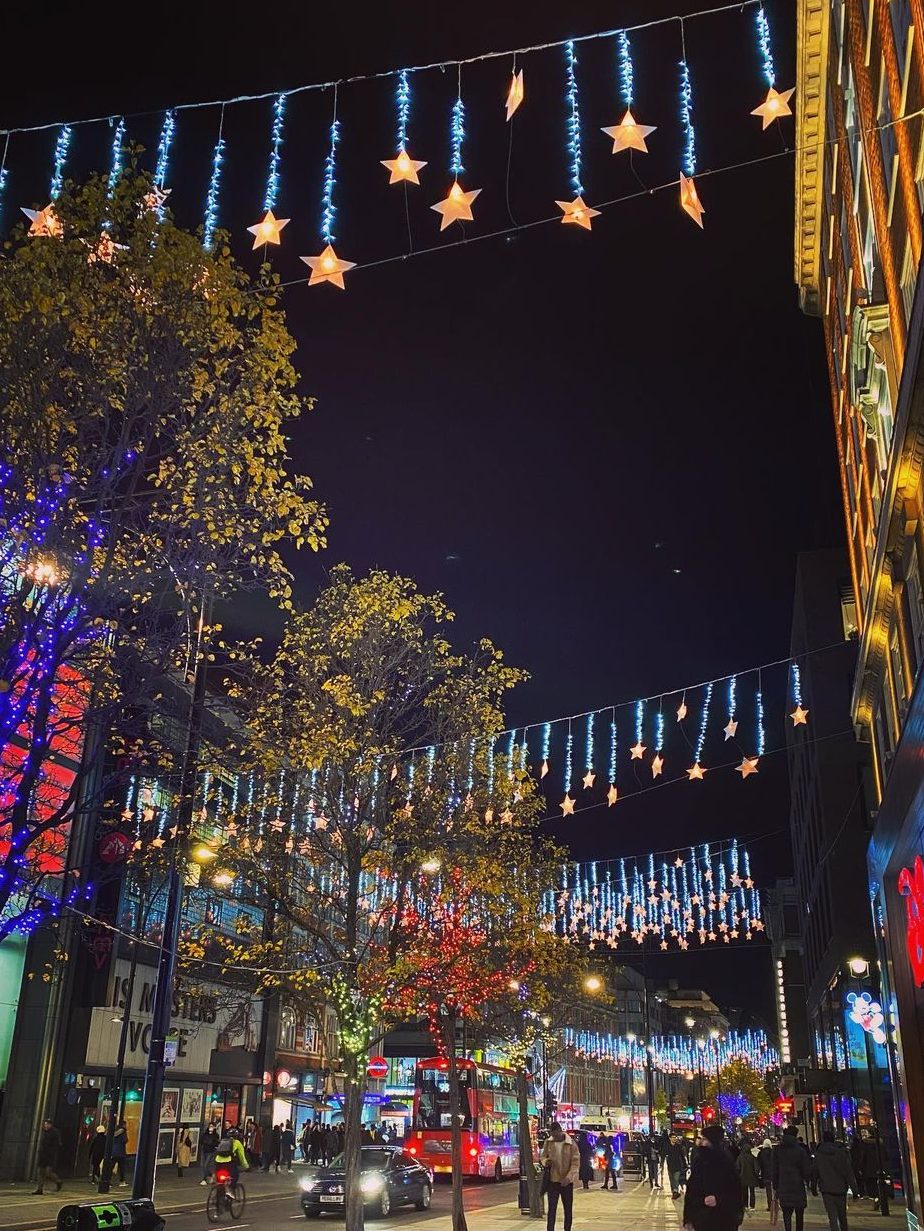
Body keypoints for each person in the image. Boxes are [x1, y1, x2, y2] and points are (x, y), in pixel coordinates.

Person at [682, 1125, 743, 1231]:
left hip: (723, 1219)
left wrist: (718, 1199)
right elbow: (691, 1191)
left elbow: (735, 1191)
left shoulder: (726, 1162)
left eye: (704, 1139)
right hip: (701, 1219)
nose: (701, 1142)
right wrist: (688, 1218)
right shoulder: (699, 1161)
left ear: (712, 1141)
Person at [539, 1122, 580, 1231]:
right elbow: (542, 1157)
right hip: (553, 1180)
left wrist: (569, 1177)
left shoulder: (571, 1144)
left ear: (560, 1131)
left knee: (568, 1209)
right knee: (551, 1209)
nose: (555, 1138)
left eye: (556, 1135)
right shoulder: (549, 1142)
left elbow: (575, 1163)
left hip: (566, 1181)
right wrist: (546, 1161)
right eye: (553, 1135)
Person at [814, 1131, 857, 1231]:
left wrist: (813, 1186)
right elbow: (848, 1172)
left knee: (832, 1217)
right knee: (842, 1216)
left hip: (826, 1189)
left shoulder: (819, 1153)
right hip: (841, 1188)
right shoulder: (841, 1153)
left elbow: (815, 1171)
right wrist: (855, 1190)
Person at [772, 1127, 812, 1231]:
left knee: (786, 1214)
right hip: (798, 1186)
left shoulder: (778, 1151)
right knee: (799, 1214)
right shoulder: (800, 1151)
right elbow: (806, 1170)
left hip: (784, 1185)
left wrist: (776, 1185)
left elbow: (774, 1169)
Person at [33, 1119, 63, 1195]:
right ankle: (39, 1189)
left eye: (47, 1124)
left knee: (48, 1172)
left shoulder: (55, 1133)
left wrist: (52, 1151)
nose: (45, 1126)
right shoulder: (44, 1133)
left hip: (50, 1155)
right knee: (40, 1172)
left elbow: (57, 1144)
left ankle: (58, 1181)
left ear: (50, 1125)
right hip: (43, 1155)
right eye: (45, 1124)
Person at [737, 1141, 761, 1210]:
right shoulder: (752, 1157)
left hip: (743, 1177)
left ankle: (745, 1205)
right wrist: (757, 1175)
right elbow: (756, 1168)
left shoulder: (740, 1157)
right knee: (752, 1192)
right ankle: (752, 1206)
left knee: (744, 1192)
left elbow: (737, 1167)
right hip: (752, 1177)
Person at [668, 1133, 688, 1200]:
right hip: (670, 1166)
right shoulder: (667, 1146)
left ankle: (675, 1191)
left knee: (676, 1179)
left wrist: (685, 1164)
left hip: (677, 1166)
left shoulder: (679, 1147)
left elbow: (682, 1156)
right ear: (670, 1138)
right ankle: (674, 1193)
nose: (675, 1138)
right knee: (672, 1180)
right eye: (673, 1137)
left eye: (675, 1137)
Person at [110, 1121, 128, 1187]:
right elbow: (125, 1140)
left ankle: (108, 1181)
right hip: (121, 1152)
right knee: (122, 1168)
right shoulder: (123, 1131)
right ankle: (122, 1181)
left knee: (110, 1167)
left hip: (114, 1152)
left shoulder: (114, 1132)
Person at [758, 1138, 775, 1211]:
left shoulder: (761, 1153)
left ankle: (770, 1205)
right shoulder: (773, 1152)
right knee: (775, 1190)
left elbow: (759, 1164)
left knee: (768, 1191)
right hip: (774, 1173)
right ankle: (776, 1205)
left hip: (765, 1174)